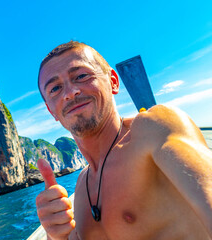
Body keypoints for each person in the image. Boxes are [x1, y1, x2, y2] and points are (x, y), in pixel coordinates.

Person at [35, 41, 212, 239]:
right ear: (51, 111)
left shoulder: (153, 130)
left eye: (81, 76)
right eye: (55, 88)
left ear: (113, 81)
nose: (69, 93)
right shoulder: (82, 187)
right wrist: (55, 235)